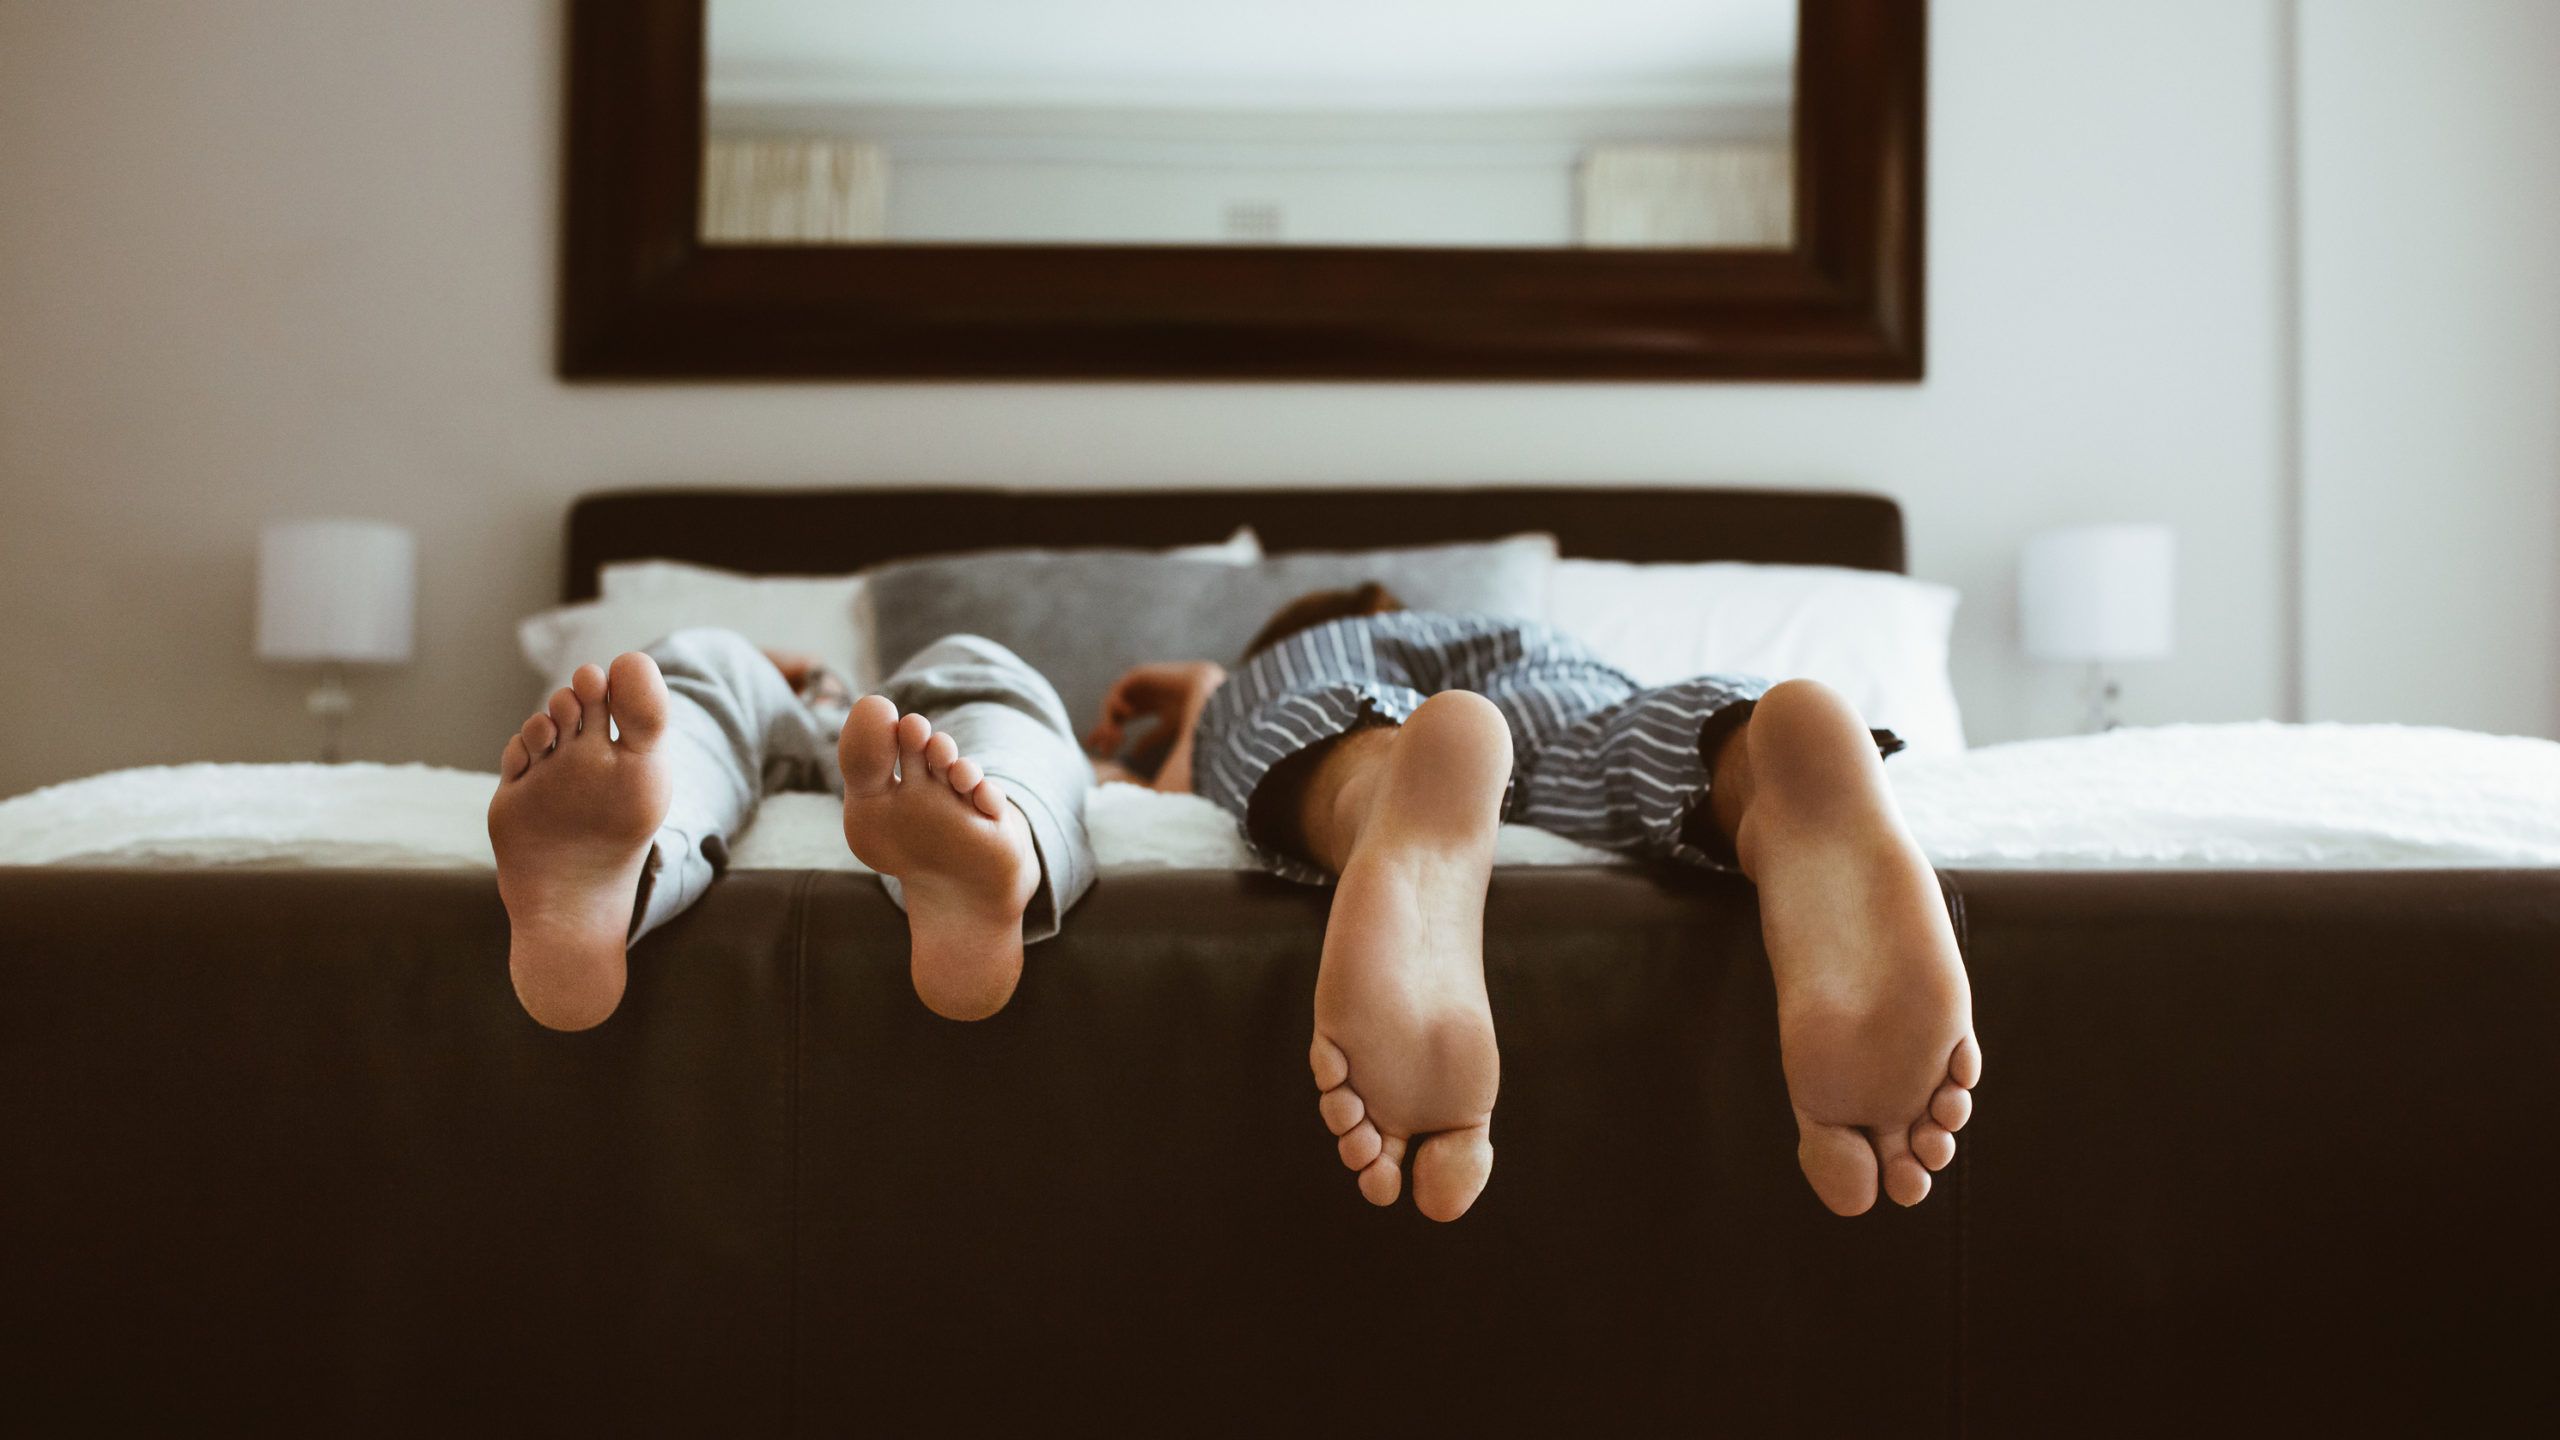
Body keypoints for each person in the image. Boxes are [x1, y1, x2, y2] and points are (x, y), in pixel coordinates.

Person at [1085, 584, 1979, 1225]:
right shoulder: (1510, 629)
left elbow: (1161, 796)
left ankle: (1379, 786)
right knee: (1618, 736)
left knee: (1319, 729)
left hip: (1307, 673)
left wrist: (1208, 698)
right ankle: (1753, 768)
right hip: (1555, 669)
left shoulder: (1291, 652)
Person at [488, 628, 1092, 1030]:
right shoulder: (771, 681)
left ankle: (997, 838)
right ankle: (1007, 814)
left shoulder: (863, 696)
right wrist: (787, 673)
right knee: (978, 676)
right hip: (895, 750)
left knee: (705, 669)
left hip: (894, 744)